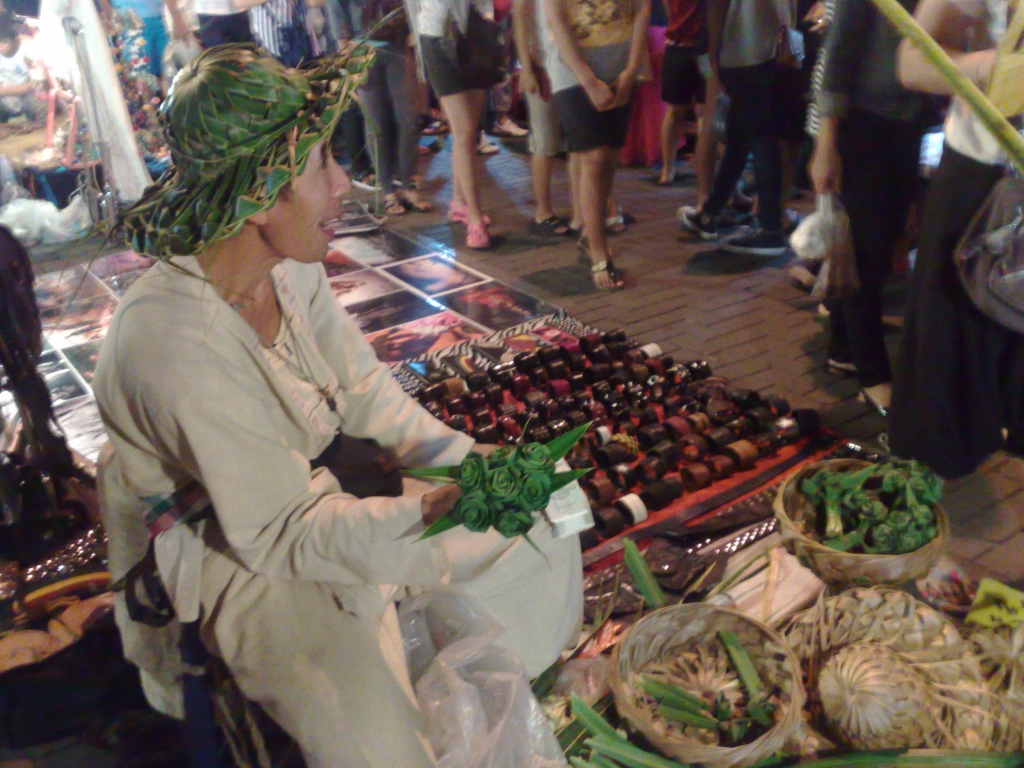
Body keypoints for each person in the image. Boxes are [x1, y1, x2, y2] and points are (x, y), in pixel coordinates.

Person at [96, 45, 582, 766]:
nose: (344, 183)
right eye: (323, 164)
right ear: (262, 197)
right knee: (379, 744)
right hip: (227, 543)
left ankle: (498, 702)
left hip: (311, 497)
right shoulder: (176, 341)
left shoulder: (286, 266)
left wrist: (472, 463)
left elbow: (364, 396)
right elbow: (279, 534)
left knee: (543, 523)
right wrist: (426, 511)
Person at [890, 0, 1024, 478]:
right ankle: (935, 479)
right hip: (982, 176)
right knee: (950, 334)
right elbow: (912, 62)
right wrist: (997, 67)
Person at [807, 0, 923, 416]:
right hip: (864, 125)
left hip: (907, 125)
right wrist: (825, 145)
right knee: (867, 256)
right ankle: (873, 376)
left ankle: (843, 347)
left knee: (878, 244)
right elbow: (836, 63)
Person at [545, 0, 651, 290]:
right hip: (572, 67)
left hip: (621, 61)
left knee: (610, 157)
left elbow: (643, 8)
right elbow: (556, 18)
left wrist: (632, 68)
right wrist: (588, 80)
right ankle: (598, 249)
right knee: (595, 156)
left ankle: (591, 232)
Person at [679, 0, 797, 256]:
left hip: (747, 52)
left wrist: (713, 50)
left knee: (759, 140)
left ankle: (770, 229)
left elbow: (717, 7)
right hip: (758, 52)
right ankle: (711, 212)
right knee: (740, 138)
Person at [411, 0, 504, 249]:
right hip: (437, 36)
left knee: (467, 133)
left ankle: (458, 203)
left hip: (475, 34)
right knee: (464, 133)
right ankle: (475, 219)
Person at [344, 0, 431, 215]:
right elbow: (336, 11)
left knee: (408, 120)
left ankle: (408, 182)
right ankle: (389, 191)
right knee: (377, 125)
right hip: (361, 48)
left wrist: (414, 29)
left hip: (398, 45)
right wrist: (348, 58)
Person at [512, 0, 571, 236]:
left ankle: (587, 208)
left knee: (580, 143)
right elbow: (520, 19)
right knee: (545, 141)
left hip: (570, 63)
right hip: (542, 64)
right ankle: (543, 210)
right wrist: (527, 68)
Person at [658, 0, 714, 192]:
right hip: (678, 46)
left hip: (706, 49)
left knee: (704, 112)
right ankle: (668, 168)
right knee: (674, 110)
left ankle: (704, 171)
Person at [0, 15, 44, 122]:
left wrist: (3, 91)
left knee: (39, 101)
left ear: (16, 38)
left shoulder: (30, 48)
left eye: (4, 42)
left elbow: (36, 85)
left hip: (29, 96)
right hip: (6, 96)